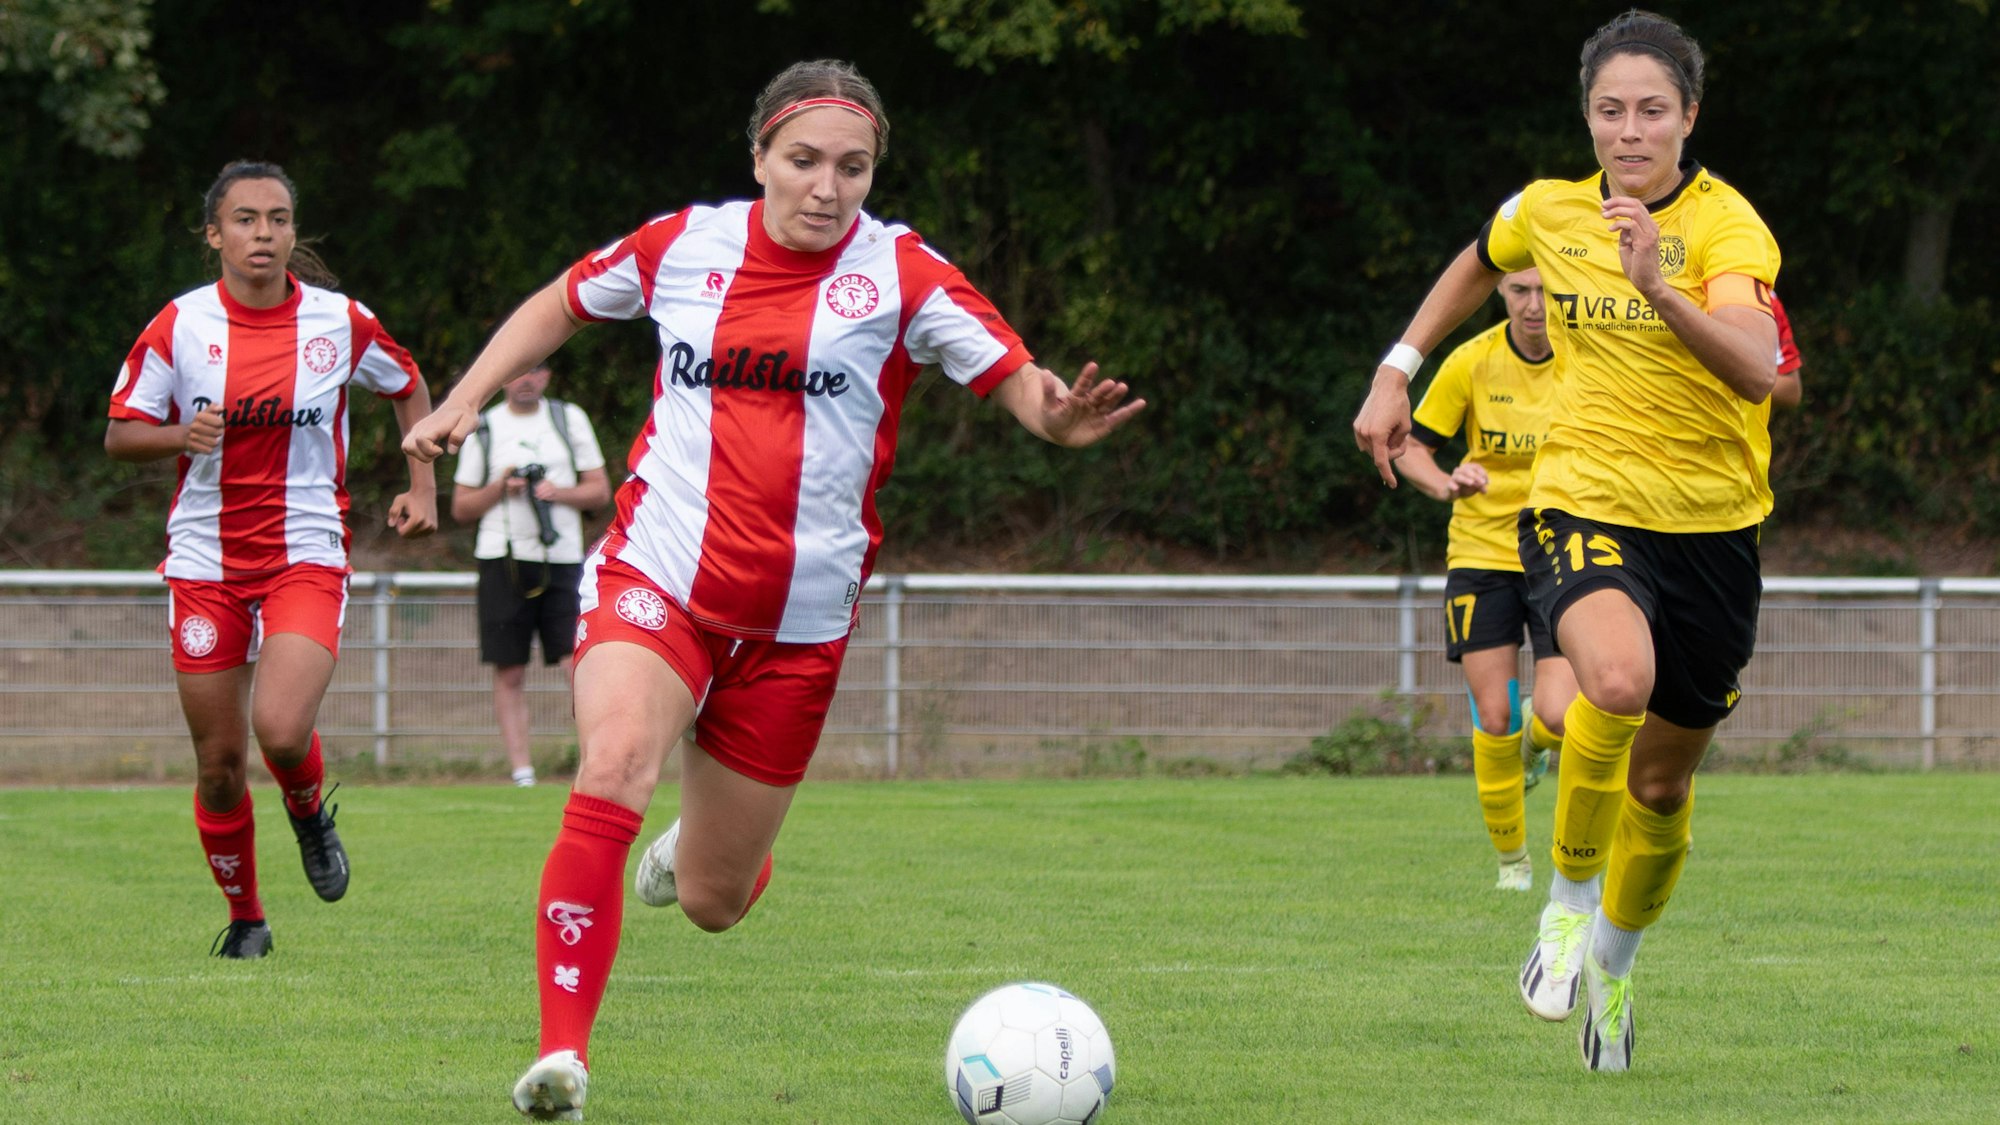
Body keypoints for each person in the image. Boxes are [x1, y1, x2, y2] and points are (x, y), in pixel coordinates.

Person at [402, 59, 1144, 1119]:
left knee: (712, 900)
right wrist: (465, 402)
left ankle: (690, 853)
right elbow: (557, 304)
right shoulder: (682, 247)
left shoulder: (903, 276)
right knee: (613, 763)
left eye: (853, 166)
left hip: (796, 631)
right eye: (802, 161)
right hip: (658, 578)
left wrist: (1059, 419)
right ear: (757, 158)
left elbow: (1019, 380)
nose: (826, 186)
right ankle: (562, 1058)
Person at [1352, 10, 1780, 1073]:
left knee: (1663, 788)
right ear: (1584, 116)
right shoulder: (1546, 209)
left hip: (1713, 530)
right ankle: (1562, 904)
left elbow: (1757, 366)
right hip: (1581, 499)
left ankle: (1615, 968)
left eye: (1649, 111)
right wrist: (1397, 368)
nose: (1626, 131)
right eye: (1607, 110)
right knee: (1615, 682)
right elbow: (1472, 258)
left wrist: (1652, 286)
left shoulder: (1730, 230)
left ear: (1687, 117)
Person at [105, 160, 439, 959]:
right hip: (204, 562)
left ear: (294, 231)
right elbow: (119, 433)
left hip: (306, 552)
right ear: (214, 234)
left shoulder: (339, 321)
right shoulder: (179, 326)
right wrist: (177, 435)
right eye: (247, 219)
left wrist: (422, 482)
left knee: (282, 729)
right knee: (219, 764)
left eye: (279, 218)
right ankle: (248, 920)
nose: (264, 233)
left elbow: (409, 383)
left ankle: (306, 812)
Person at [1395, 268, 1578, 892]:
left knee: (1554, 717)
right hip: (1481, 551)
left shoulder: (1589, 359)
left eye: (1546, 290)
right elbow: (1409, 445)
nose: (1534, 305)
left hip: (1562, 551)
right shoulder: (1472, 362)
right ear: (1499, 292)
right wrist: (1445, 482)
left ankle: (1536, 749)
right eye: (1519, 290)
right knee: (1494, 716)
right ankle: (1513, 863)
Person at [450, 362, 611, 787]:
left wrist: (556, 492)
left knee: (575, 661)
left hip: (561, 556)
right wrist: (502, 486)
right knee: (510, 668)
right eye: (518, 371)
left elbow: (600, 490)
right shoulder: (483, 426)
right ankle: (522, 771)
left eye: (537, 370)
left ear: (548, 376)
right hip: (502, 557)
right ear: (503, 377)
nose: (527, 379)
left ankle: (597, 762)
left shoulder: (568, 417)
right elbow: (462, 508)